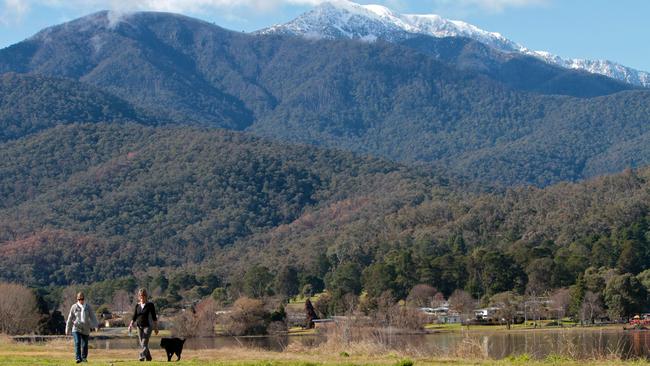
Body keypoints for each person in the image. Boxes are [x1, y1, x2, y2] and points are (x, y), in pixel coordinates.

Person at [65, 292, 98, 363]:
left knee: (85, 345)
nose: (81, 300)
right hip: (76, 328)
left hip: (86, 328)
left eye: (82, 299)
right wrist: (67, 329)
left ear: (84, 299)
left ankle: (84, 358)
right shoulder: (74, 307)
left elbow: (93, 317)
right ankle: (78, 358)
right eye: (79, 299)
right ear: (77, 299)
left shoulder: (88, 307)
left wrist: (95, 325)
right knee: (77, 342)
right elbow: (70, 318)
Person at [129, 288, 159, 361]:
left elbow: (154, 317)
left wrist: (155, 327)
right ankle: (148, 357)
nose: (142, 297)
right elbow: (135, 316)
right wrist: (130, 325)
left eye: (143, 295)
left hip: (148, 326)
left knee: (144, 342)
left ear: (146, 296)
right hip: (139, 327)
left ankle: (141, 356)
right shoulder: (137, 305)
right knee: (142, 344)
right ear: (139, 296)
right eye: (140, 296)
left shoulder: (150, 305)